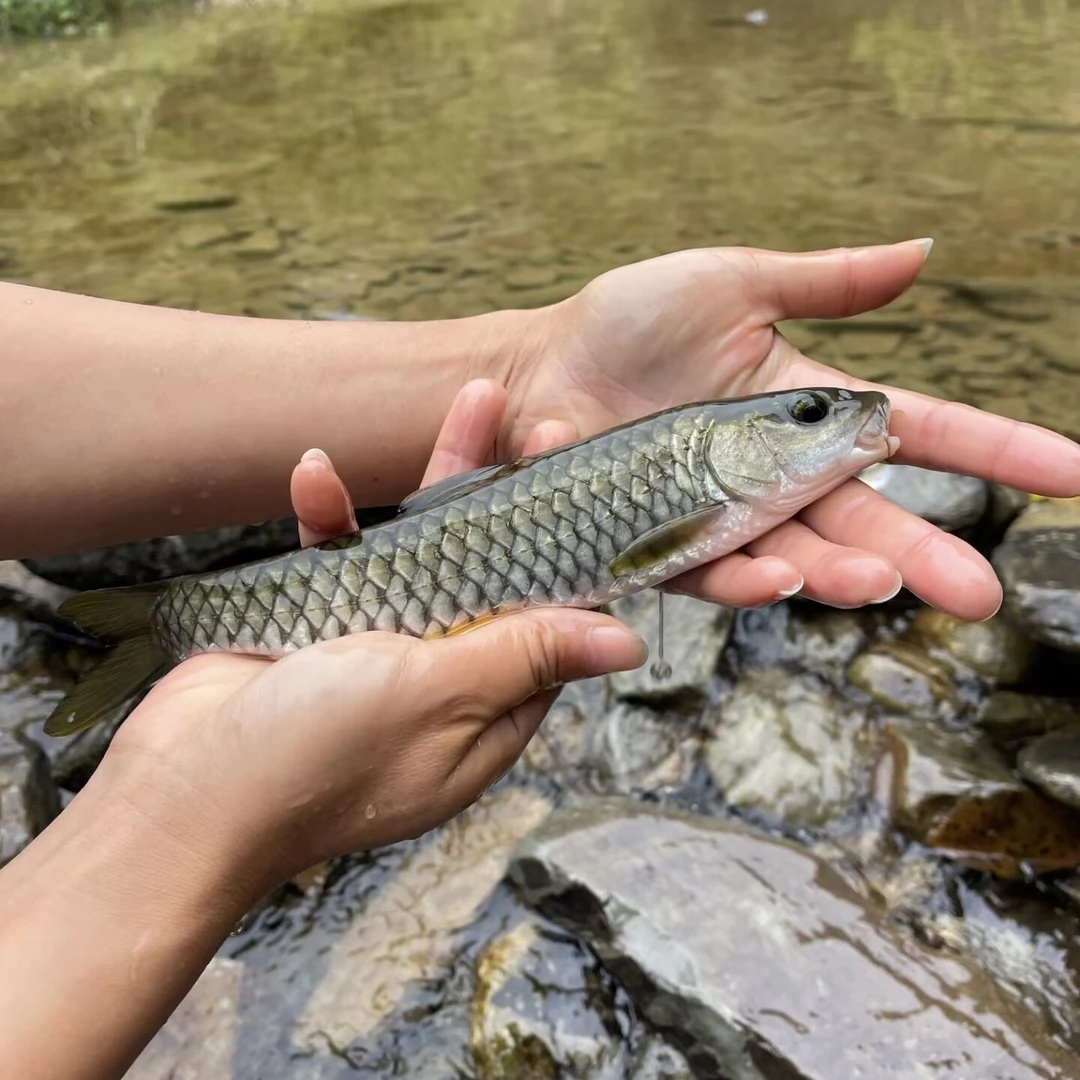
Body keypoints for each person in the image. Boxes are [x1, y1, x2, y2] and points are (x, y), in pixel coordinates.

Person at [0, 240, 1077, 1080]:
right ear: (729, 447)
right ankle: (168, 622)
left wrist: (520, 364)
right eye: (807, 415)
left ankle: (168, 622)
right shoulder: (689, 471)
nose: (839, 415)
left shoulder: (708, 466)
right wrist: (189, 815)